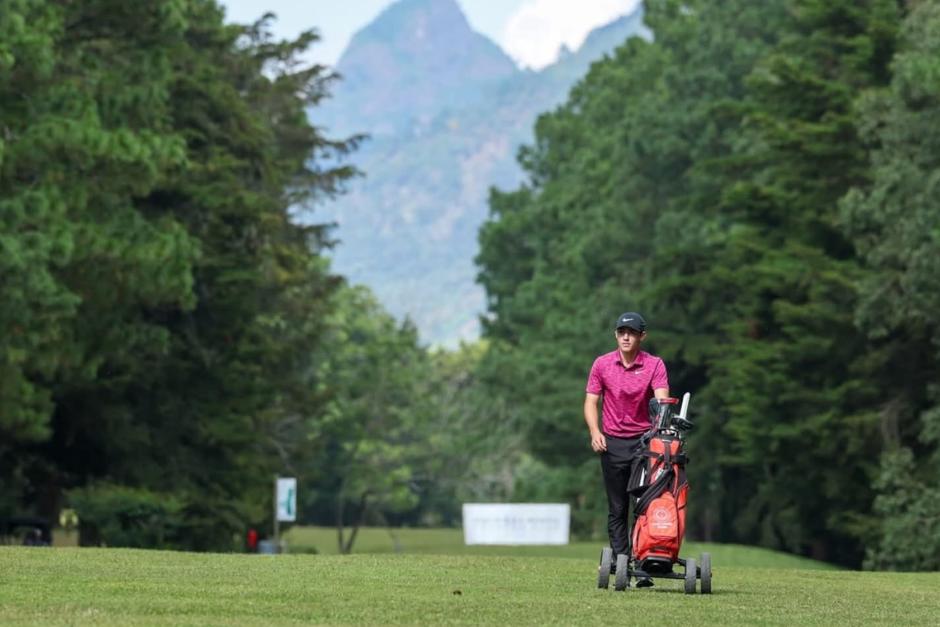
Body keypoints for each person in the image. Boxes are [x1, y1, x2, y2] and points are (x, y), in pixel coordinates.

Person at [584, 311, 669, 586]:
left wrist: (659, 425)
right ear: (616, 334)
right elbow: (590, 402)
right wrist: (595, 432)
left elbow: (661, 401)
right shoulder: (602, 364)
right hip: (612, 443)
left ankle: (643, 564)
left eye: (631, 333)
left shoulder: (654, 365)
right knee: (617, 508)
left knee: (643, 505)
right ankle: (623, 563)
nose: (625, 337)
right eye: (621, 332)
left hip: (644, 444)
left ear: (642, 336)